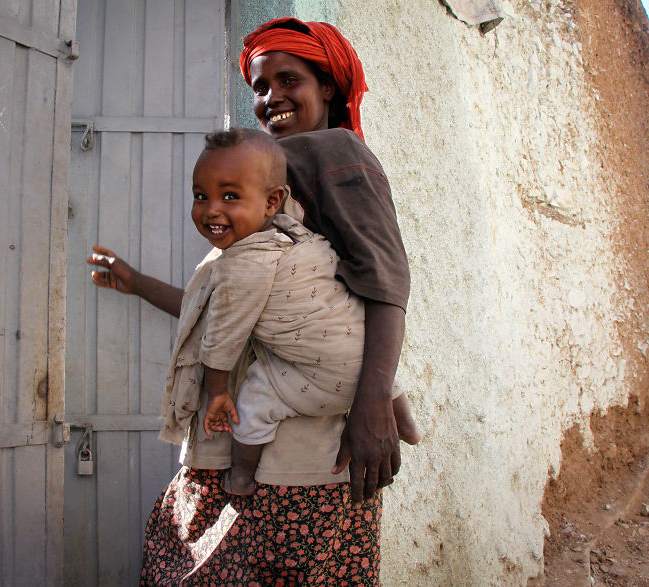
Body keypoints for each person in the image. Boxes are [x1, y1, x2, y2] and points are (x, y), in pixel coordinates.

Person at [88, 16, 412, 584]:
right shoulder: (261, 182)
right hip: (245, 452)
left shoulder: (335, 152)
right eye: (260, 87)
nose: (272, 98)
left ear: (328, 88)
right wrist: (136, 283)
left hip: (301, 462)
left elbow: (387, 285)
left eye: (289, 81)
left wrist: (373, 405)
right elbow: (230, 312)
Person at [155, 127, 418, 496]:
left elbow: (222, 339)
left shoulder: (239, 266)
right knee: (355, 340)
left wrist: (217, 393)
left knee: (255, 399)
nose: (211, 209)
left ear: (271, 201)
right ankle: (408, 426)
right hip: (369, 369)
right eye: (201, 196)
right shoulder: (292, 228)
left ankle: (242, 476)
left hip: (319, 386)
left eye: (230, 196)